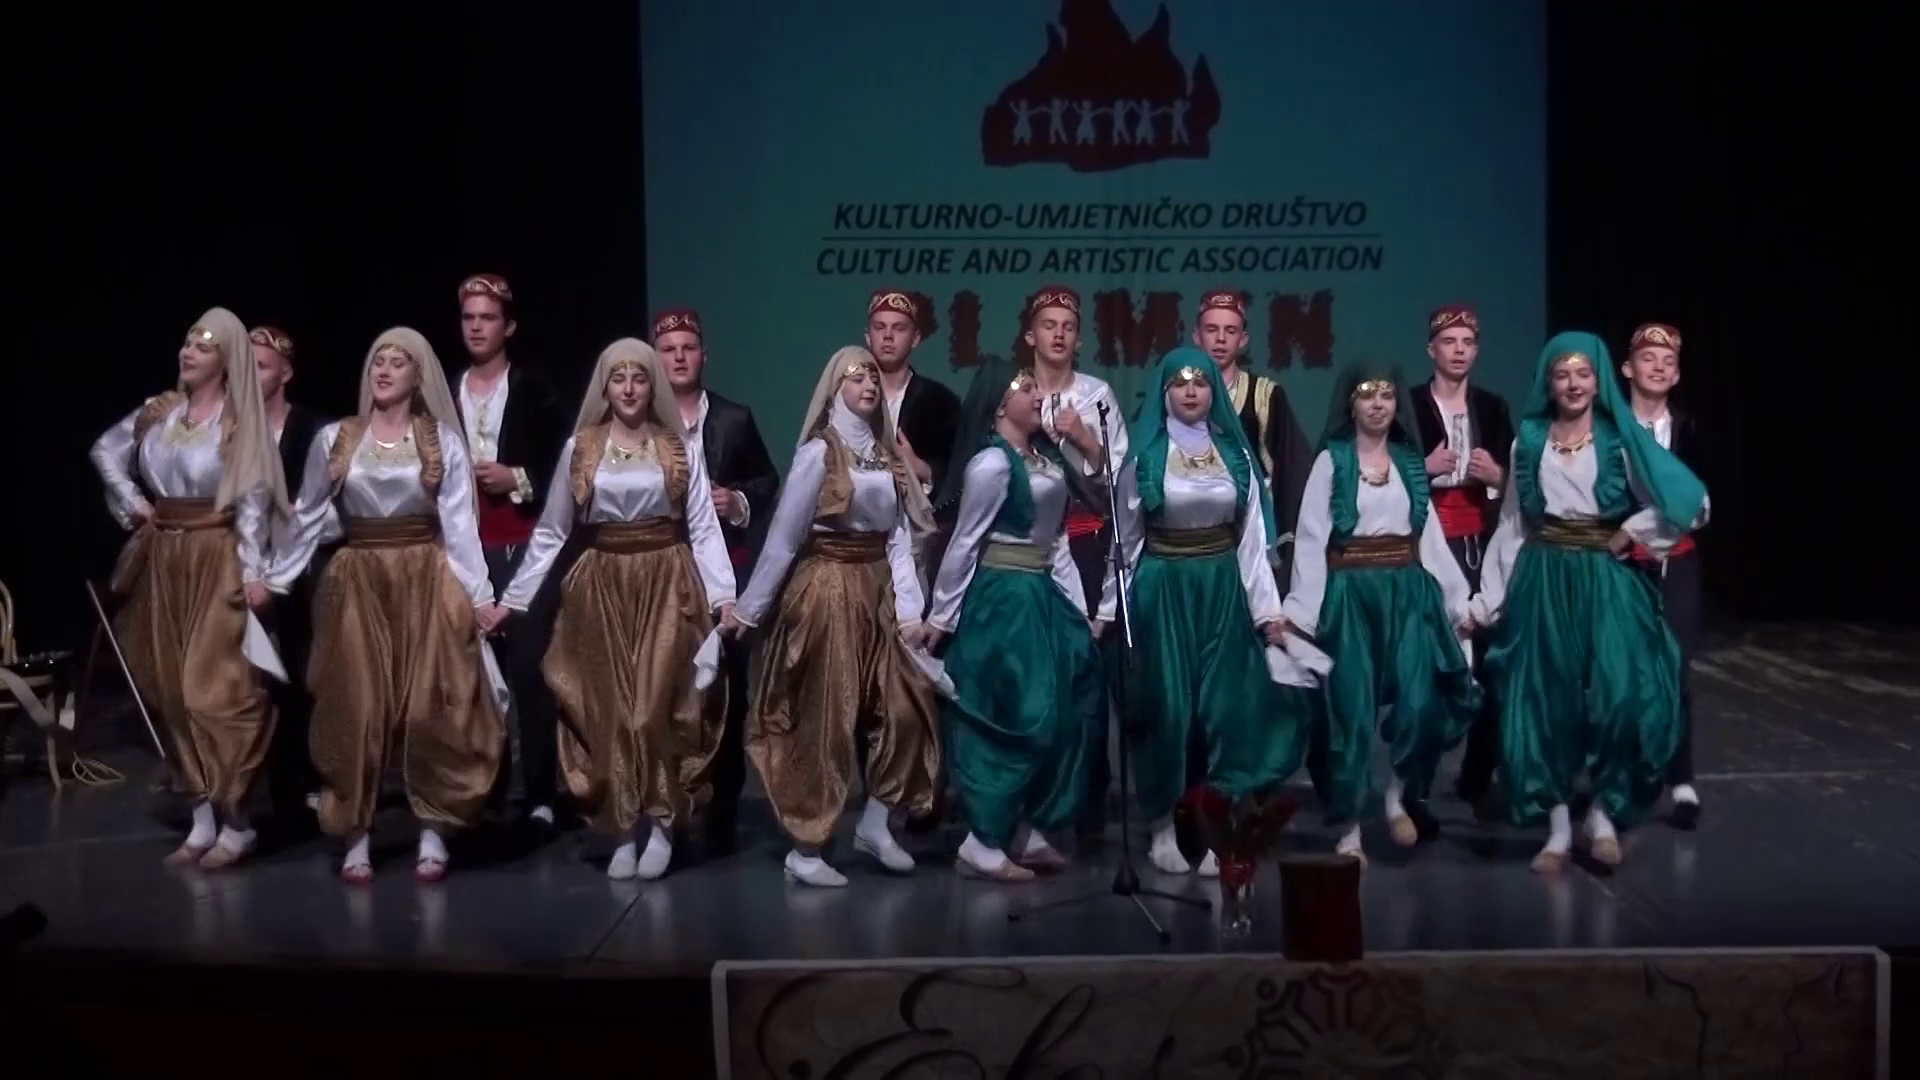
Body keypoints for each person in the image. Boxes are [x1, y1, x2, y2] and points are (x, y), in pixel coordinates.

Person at [268, 327, 506, 884]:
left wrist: (480, 596)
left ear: (417, 376)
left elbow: (459, 525)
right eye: (378, 360)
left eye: (397, 363)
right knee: (357, 705)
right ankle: (356, 832)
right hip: (359, 580)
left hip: (425, 577)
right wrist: (274, 581)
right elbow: (308, 517)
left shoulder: (439, 441)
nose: (384, 370)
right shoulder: (337, 438)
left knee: (428, 706)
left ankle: (432, 830)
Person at [1469, 331, 1708, 872]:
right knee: (1546, 700)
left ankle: (1603, 812)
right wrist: (1488, 601)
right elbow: (1514, 523)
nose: (1573, 384)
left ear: (1599, 381)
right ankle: (1557, 828)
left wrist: (1634, 531)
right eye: (1562, 374)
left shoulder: (1619, 438)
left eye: (1583, 374)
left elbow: (1687, 502)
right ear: (1548, 382)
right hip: (1546, 575)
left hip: (1606, 576)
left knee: (1620, 696)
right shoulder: (1530, 440)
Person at [496, 339, 735, 880]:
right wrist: (514, 599)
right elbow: (553, 529)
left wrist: (723, 595)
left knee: (653, 708)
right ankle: (623, 827)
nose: (629, 388)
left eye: (639, 378)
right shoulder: (581, 448)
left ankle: (662, 822)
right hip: (600, 585)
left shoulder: (677, 448)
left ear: (652, 387)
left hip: (666, 581)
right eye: (618, 378)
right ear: (604, 387)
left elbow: (702, 525)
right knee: (611, 712)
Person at [720, 346, 941, 887]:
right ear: (836, 387)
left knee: (908, 701)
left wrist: (910, 611)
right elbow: (784, 537)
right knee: (828, 714)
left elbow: (897, 538)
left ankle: (876, 821)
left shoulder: (885, 457)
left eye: (873, 377)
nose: (868, 384)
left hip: (877, 588)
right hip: (827, 586)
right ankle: (807, 845)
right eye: (856, 376)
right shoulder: (820, 453)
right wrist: (751, 608)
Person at [1096, 347, 1308, 876]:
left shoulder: (1234, 456)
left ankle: (1216, 830)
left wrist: (1267, 612)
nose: (1191, 391)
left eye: (1201, 382)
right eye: (1180, 383)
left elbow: (1251, 542)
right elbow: (1126, 543)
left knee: (1223, 711)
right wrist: (1109, 608)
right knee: (1167, 710)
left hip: (1221, 588)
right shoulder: (1145, 458)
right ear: (1164, 392)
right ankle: (1162, 829)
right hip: (1163, 587)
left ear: (1214, 391)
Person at [89, 308, 289, 868]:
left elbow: (253, 504)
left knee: (214, 691)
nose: (188, 353)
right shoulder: (161, 412)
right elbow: (104, 451)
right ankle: (203, 820)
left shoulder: (240, 422)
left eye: (202, 348)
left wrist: (252, 574)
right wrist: (135, 503)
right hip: (163, 557)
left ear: (225, 361)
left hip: (216, 557)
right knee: (171, 691)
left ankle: (238, 820)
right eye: (186, 344)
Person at [1283, 365, 1482, 864]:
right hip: (1350, 594)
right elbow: (1311, 537)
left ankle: (1396, 794)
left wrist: (1456, 600)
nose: (1377, 404)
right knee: (1350, 713)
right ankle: (1350, 826)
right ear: (1350, 404)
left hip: (1408, 592)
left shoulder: (1410, 463)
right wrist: (1303, 612)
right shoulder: (1332, 461)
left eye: (1387, 395)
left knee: (1419, 702)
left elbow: (1427, 537)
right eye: (1367, 395)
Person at [924, 356, 1103, 881]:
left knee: (1068, 704)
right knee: (1022, 712)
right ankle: (982, 839)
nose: (1037, 395)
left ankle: (1025, 826)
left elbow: (1057, 541)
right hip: (1003, 599)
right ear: (1001, 404)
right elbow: (966, 542)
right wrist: (942, 616)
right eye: (1026, 388)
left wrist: (1077, 607)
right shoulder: (991, 465)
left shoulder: (1045, 459)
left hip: (1040, 594)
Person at [655, 308, 781, 853]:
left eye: (688, 347)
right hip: (663, 568)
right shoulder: (641, 419)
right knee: (666, 683)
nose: (679, 357)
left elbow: (768, 479)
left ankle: (724, 800)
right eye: (669, 349)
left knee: (728, 683)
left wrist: (740, 501)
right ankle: (670, 799)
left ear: (704, 356)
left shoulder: (733, 417)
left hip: (726, 564)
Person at [451, 273, 569, 830]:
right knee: (474, 672)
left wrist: (516, 476)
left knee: (527, 668)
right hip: (465, 545)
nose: (477, 327)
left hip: (523, 542)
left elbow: (566, 464)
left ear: (509, 327)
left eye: (488, 318)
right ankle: (484, 788)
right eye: (469, 318)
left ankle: (541, 791)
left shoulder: (532, 390)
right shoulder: (445, 391)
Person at [1021, 285, 1126, 839]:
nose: (1058, 334)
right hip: (1029, 549)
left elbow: (1121, 483)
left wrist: (1084, 439)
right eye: (1049, 324)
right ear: (1030, 335)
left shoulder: (1097, 395)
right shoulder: (1015, 393)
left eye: (1068, 326)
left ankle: (1087, 798)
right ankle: (1034, 800)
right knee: (1038, 675)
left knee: (1089, 674)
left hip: (1086, 545)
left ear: (1079, 339)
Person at [1405, 305, 1515, 813]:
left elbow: (1520, 485)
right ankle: (1418, 781)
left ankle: (1478, 774)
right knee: (1430, 664)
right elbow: (1384, 468)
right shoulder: (1409, 405)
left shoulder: (1491, 407)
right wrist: (1421, 468)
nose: (1458, 350)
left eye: (1467, 342)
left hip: (1482, 543)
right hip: (1428, 542)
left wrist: (1498, 479)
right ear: (1432, 349)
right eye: (1448, 341)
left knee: (1492, 661)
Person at [1620, 322, 1708, 829]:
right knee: (1621, 671)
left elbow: (1700, 502)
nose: (1658, 367)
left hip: (1677, 557)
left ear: (1676, 376)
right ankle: (1622, 774)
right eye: (1648, 358)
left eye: (1667, 361)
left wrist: (1644, 529)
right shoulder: (1608, 430)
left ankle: (1681, 780)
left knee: (1674, 667)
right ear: (1627, 369)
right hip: (1620, 564)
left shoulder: (1689, 430)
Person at [250, 324, 328, 827]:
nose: (249, 376)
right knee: (262, 678)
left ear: (285, 373)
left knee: (305, 672)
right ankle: (278, 787)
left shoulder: (313, 430)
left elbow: (335, 501)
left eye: (260, 366)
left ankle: (316, 779)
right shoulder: (232, 431)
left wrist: (302, 515)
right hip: (247, 567)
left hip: (303, 570)